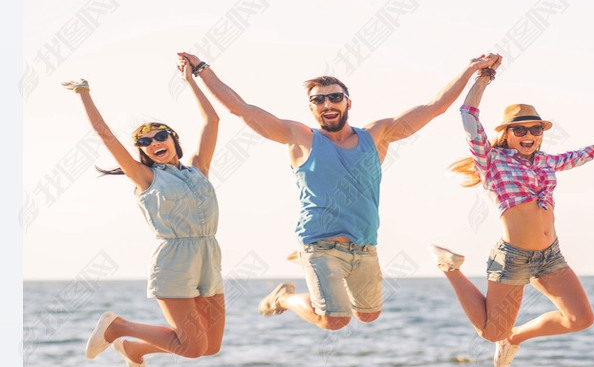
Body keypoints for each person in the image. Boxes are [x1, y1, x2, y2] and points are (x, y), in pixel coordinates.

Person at [178, 50, 497, 334]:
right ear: (311, 108)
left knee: (369, 316)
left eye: (334, 97)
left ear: (348, 102)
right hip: (319, 244)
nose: (327, 104)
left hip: (364, 245)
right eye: (318, 100)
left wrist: (471, 70)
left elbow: (435, 107)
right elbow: (241, 109)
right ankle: (285, 297)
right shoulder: (298, 136)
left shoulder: (378, 134)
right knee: (335, 320)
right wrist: (202, 69)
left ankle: (303, 278)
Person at [432, 56, 594, 367]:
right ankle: (450, 268)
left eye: (535, 129)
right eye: (519, 129)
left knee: (580, 319)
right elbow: (467, 115)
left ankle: (515, 338)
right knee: (491, 331)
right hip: (514, 258)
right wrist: (484, 77)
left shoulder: (546, 161)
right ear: (506, 134)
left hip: (551, 256)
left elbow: (578, 157)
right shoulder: (490, 160)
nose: (529, 134)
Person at [65, 61, 225, 367]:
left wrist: (191, 80)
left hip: (209, 256)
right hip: (174, 261)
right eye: (145, 142)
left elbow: (213, 119)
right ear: (142, 152)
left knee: (210, 346)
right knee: (192, 347)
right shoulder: (145, 177)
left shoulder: (198, 168)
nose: (154, 143)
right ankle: (118, 327)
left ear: (173, 138)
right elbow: (107, 137)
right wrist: (84, 93)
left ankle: (134, 348)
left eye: (160, 136)